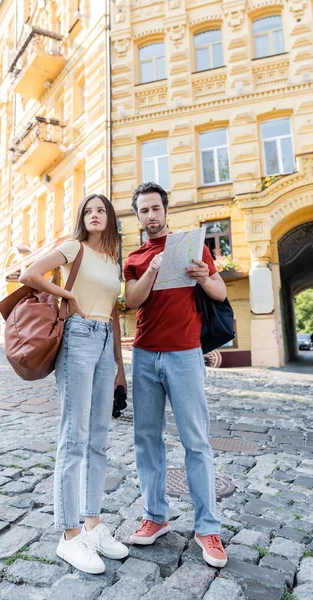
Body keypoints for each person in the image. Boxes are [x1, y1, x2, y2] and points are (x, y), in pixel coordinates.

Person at [19, 194, 128, 574]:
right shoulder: (73, 247)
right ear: (82, 218)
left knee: (99, 437)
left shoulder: (114, 261)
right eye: (88, 211)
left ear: (110, 218)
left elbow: (114, 313)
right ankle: (69, 536)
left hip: (102, 344)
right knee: (75, 435)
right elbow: (28, 274)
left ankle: (93, 525)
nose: (95, 215)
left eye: (101, 211)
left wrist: (119, 364)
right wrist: (68, 296)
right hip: (78, 336)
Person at [123, 182, 228, 568]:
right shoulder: (135, 257)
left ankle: (208, 528)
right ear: (137, 216)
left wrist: (203, 275)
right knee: (147, 440)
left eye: (155, 209)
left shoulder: (192, 246)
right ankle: (155, 517)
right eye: (143, 211)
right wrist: (151, 269)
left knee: (196, 441)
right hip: (146, 355)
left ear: (166, 211)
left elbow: (217, 292)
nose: (150, 216)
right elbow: (132, 302)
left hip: (185, 354)